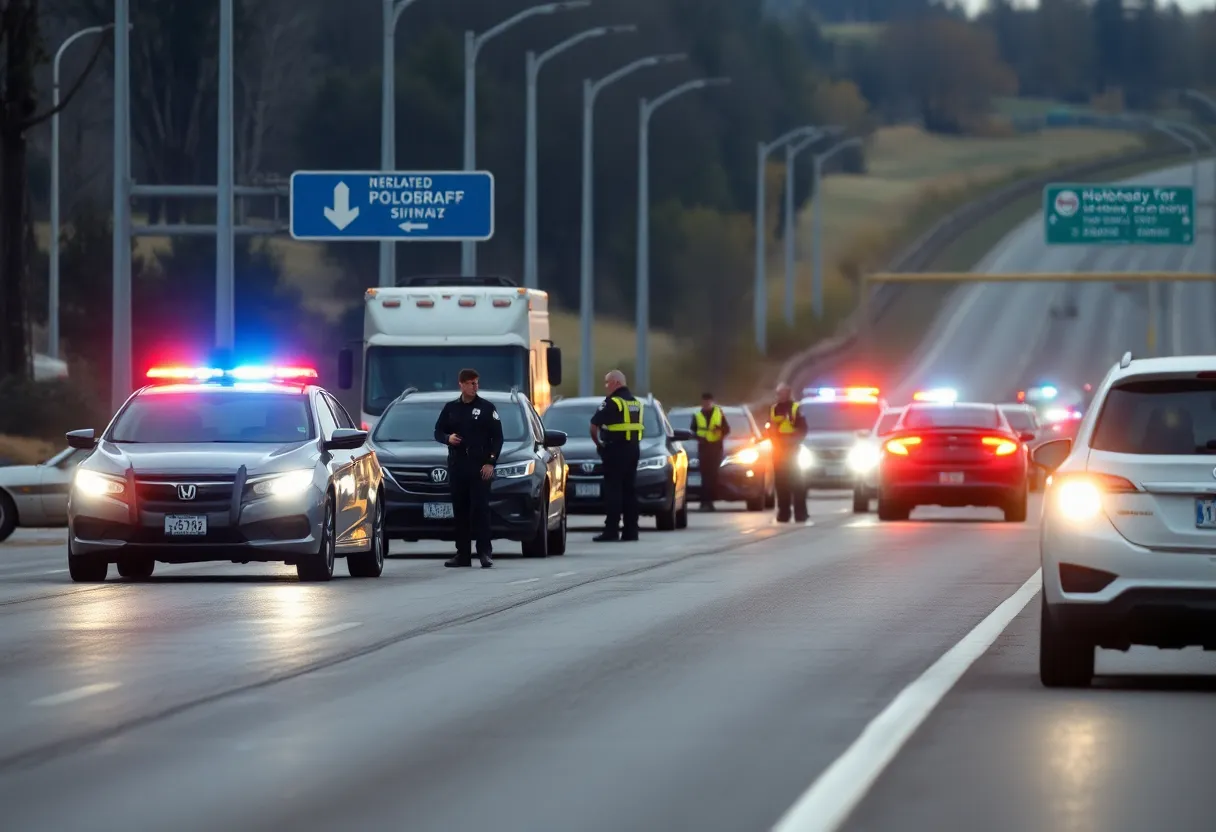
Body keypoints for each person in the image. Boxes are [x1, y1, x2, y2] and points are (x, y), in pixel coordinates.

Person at [433, 368, 503, 568]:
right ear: (461, 385)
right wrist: (448, 438)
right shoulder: (451, 408)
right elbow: (438, 431)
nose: (475, 387)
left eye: (476, 383)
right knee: (461, 510)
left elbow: (497, 438)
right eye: (471, 383)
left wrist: (491, 462)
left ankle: (484, 552)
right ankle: (463, 554)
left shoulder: (487, 408)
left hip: (479, 466)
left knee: (480, 510)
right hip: (458, 465)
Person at [589, 369, 643, 542]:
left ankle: (611, 530)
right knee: (630, 490)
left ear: (616, 383)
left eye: (607, 383)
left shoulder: (612, 402)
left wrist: (599, 445)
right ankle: (631, 531)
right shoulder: (635, 403)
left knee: (613, 491)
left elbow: (593, 426)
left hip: (615, 451)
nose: (606, 387)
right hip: (633, 450)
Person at [766, 383, 808, 523]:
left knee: (797, 483)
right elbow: (769, 428)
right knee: (781, 484)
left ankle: (800, 513)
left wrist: (792, 441)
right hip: (778, 452)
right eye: (778, 393)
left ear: (788, 393)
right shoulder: (773, 409)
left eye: (782, 393)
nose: (780, 396)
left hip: (792, 451)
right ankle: (783, 513)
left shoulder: (795, 408)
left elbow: (802, 429)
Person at [690, 392, 730, 511]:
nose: (707, 404)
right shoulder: (697, 415)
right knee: (704, 476)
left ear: (712, 402)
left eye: (709, 402)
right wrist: (699, 438)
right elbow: (692, 430)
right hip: (703, 448)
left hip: (715, 448)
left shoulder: (719, 413)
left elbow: (727, 429)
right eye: (705, 402)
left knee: (713, 476)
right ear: (702, 402)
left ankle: (711, 501)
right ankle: (704, 502)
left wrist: (720, 432)